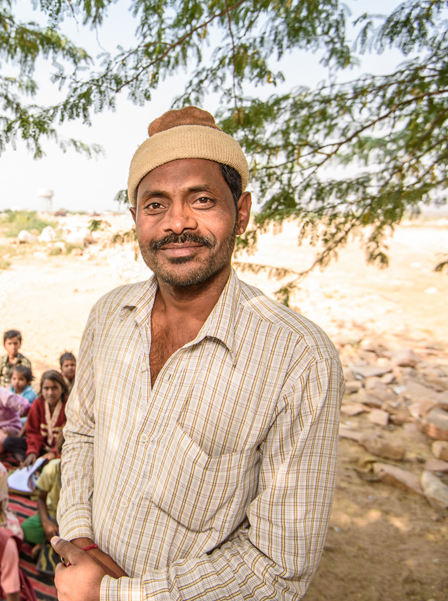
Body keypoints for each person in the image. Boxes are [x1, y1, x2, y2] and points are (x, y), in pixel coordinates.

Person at [53, 106, 344, 601]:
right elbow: (82, 432)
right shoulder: (108, 315)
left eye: (202, 200)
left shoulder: (299, 359)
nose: (177, 223)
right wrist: (81, 538)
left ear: (242, 211)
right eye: (155, 205)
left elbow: (278, 566)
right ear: (135, 219)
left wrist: (117, 594)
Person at [20, 436, 63, 556]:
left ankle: (46, 544)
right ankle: (51, 542)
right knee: (26, 529)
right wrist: (45, 523)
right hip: (52, 515)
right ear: (60, 454)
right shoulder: (51, 469)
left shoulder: (86, 475)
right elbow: (41, 498)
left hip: (74, 520)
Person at [21, 370, 68, 467]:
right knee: (10, 442)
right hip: (41, 447)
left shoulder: (68, 406)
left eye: (54, 388)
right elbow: (33, 432)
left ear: (62, 389)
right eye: (46, 388)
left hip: (61, 449)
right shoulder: (38, 404)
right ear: (41, 389)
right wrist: (33, 452)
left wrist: (54, 452)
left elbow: (68, 436)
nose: (50, 393)